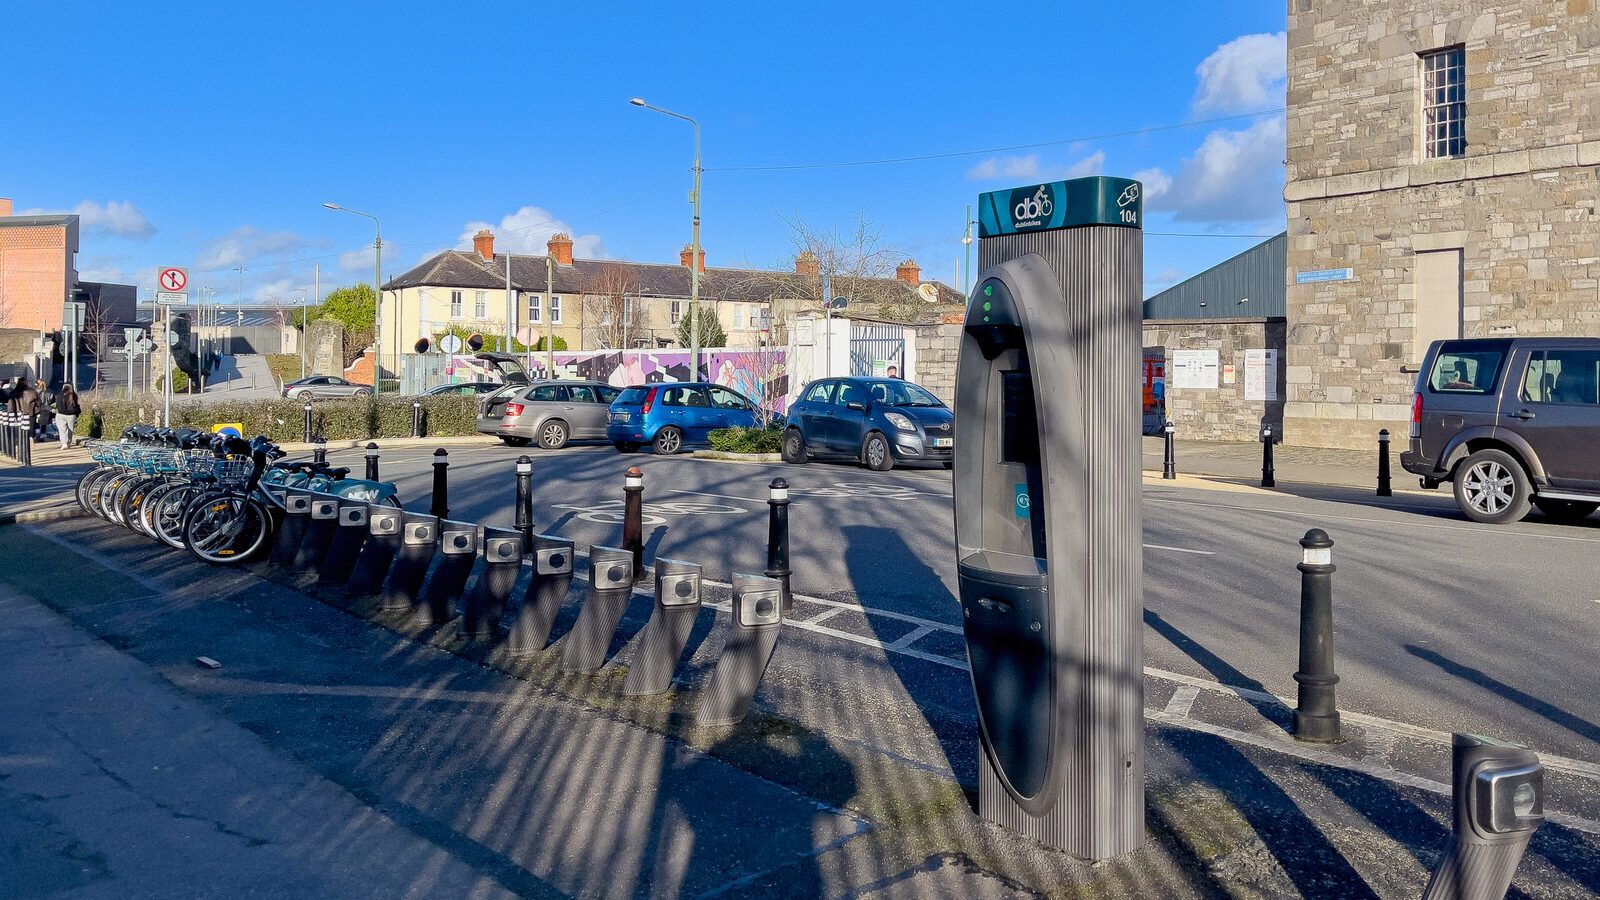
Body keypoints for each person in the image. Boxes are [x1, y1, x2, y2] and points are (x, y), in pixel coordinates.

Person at [15, 377, 41, 441]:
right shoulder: (32, 391)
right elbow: (39, 402)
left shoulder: (15, 392)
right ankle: (31, 438)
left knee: (20, 426)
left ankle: (21, 439)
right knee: (31, 426)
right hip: (31, 411)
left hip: (19, 411)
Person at [56, 383, 81, 449]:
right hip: (71, 415)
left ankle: (64, 443)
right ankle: (68, 443)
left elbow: (57, 405)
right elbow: (76, 405)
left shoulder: (60, 395)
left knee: (62, 429)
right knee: (70, 429)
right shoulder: (74, 395)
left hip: (61, 414)